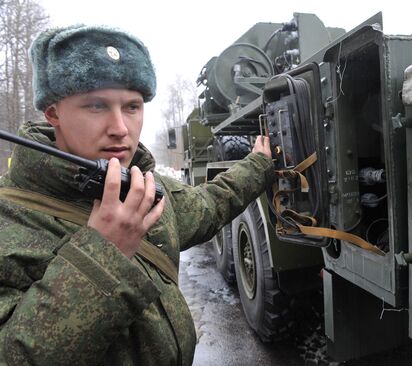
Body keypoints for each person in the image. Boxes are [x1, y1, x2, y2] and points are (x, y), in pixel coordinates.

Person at [0, 25, 274, 365]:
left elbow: (209, 204)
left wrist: (259, 164)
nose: (120, 128)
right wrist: (103, 256)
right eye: (96, 106)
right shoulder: (11, 219)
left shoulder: (142, 187)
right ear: (53, 112)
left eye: (132, 107)